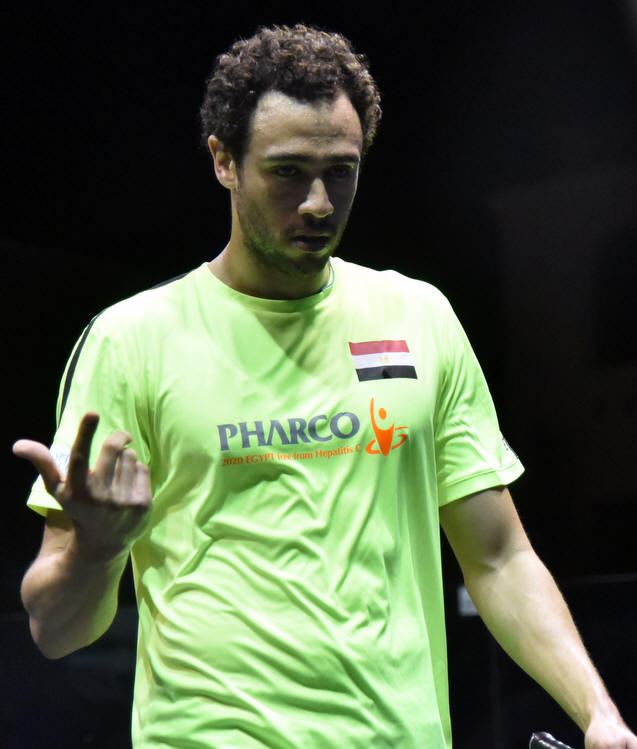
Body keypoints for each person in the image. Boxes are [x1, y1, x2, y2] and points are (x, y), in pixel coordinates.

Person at [14, 24, 636, 749]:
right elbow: (56, 631)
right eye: (287, 172)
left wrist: (597, 711)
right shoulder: (132, 340)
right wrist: (96, 550)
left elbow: (499, 558)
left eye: (340, 172)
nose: (317, 202)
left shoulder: (418, 317)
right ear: (223, 161)